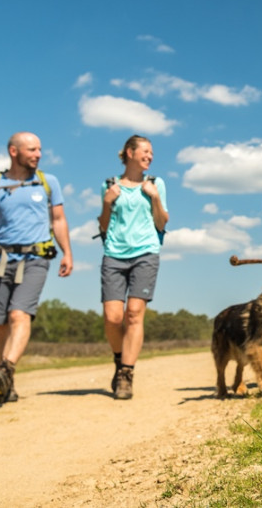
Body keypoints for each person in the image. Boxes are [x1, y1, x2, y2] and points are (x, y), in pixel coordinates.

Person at [0, 132, 73, 403]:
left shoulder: (48, 183)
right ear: (14, 151)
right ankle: (3, 384)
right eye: (32, 150)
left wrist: (66, 252)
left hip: (35, 258)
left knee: (19, 315)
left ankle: (5, 368)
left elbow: (58, 219)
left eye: (39, 150)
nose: (38, 154)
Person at [97, 135, 168, 400]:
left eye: (151, 152)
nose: (150, 156)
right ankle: (119, 359)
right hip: (114, 255)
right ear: (130, 152)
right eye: (145, 151)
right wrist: (106, 202)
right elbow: (103, 226)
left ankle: (126, 374)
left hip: (146, 253)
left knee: (134, 313)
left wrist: (156, 198)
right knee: (113, 317)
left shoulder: (155, 183)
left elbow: (162, 223)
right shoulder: (109, 185)